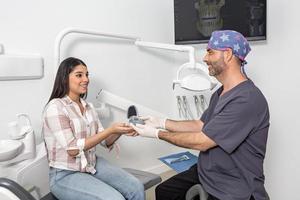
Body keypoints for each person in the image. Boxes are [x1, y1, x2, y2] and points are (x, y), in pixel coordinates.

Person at [132, 30, 270, 200]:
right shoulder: (221, 93)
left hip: (233, 187)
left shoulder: (247, 99)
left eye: (210, 51)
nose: (205, 58)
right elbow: (202, 125)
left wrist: (156, 134)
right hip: (209, 172)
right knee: (165, 191)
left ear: (227, 54)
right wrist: (161, 122)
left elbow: (202, 142)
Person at [42, 57, 144, 200]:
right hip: (65, 174)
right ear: (65, 78)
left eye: (87, 74)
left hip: (91, 164)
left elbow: (105, 141)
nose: (86, 79)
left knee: (136, 187)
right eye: (79, 75)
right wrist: (110, 130)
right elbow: (72, 149)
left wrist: (119, 131)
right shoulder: (55, 108)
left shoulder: (88, 107)